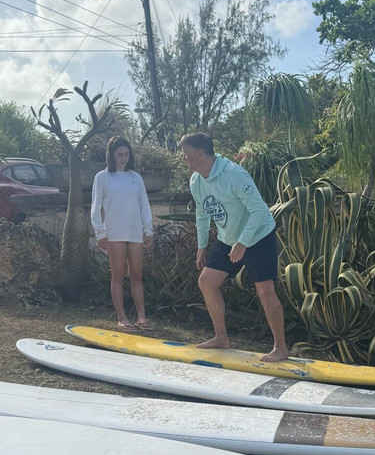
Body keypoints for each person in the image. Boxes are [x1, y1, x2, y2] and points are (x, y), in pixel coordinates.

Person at [180, 132, 288, 362]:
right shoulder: (197, 181)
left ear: (200, 153)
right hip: (229, 238)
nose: (185, 159)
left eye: (186, 154)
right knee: (207, 282)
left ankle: (280, 347)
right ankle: (221, 338)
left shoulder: (234, 174)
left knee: (265, 290)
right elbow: (201, 213)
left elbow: (260, 210)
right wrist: (201, 246)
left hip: (258, 235)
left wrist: (243, 242)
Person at [90, 136, 154, 330]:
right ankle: (121, 317)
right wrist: (100, 233)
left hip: (134, 233)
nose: (123, 158)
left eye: (126, 154)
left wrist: (148, 230)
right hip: (114, 233)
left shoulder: (136, 178)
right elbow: (95, 207)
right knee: (117, 275)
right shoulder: (102, 177)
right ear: (111, 155)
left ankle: (141, 317)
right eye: (119, 154)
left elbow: (144, 205)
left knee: (136, 275)